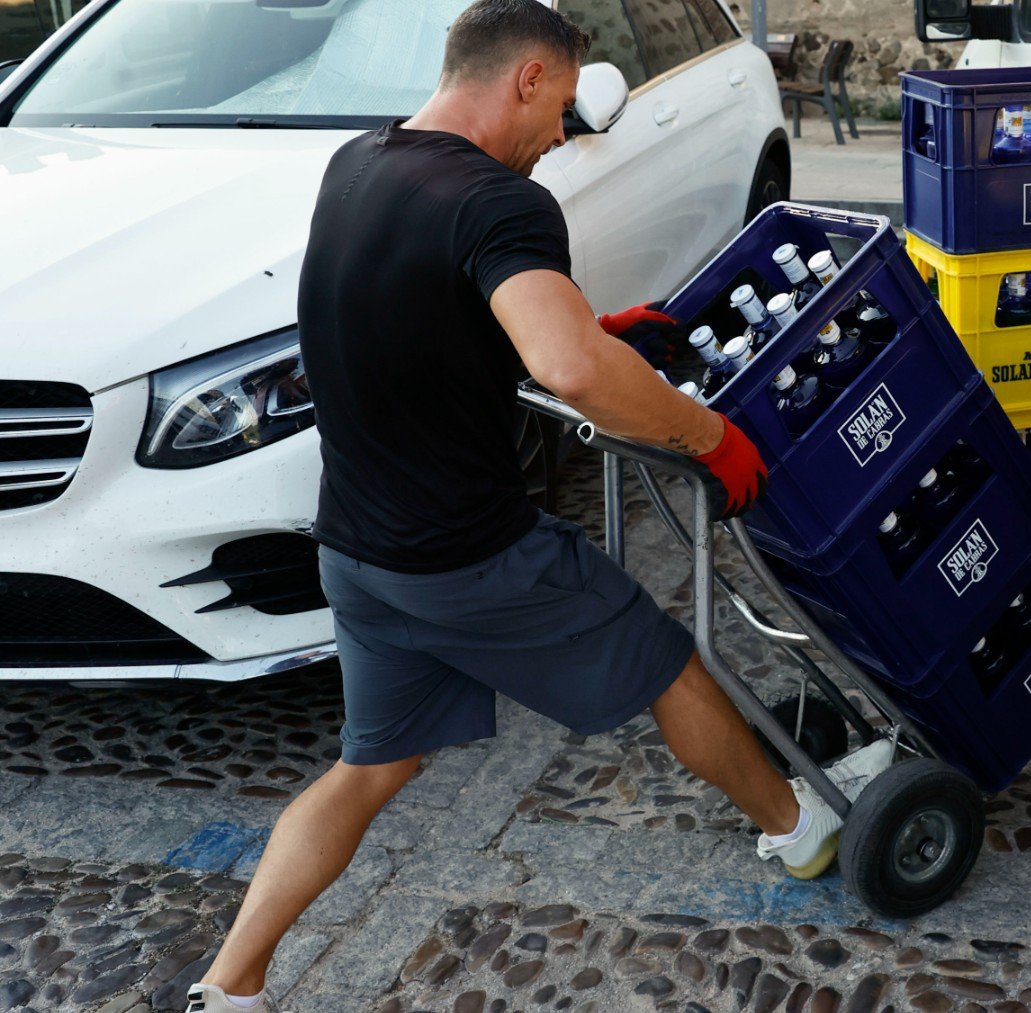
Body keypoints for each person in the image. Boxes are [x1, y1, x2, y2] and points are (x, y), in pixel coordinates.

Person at [188, 3, 885, 1009]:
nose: (560, 135)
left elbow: (425, 315)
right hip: (468, 553)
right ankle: (797, 823)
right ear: (524, 77)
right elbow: (566, 369)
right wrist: (707, 435)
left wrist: (595, 329)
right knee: (668, 661)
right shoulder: (499, 202)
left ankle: (231, 984)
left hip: (358, 548)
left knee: (368, 767)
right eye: (559, 107)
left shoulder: (360, 163)